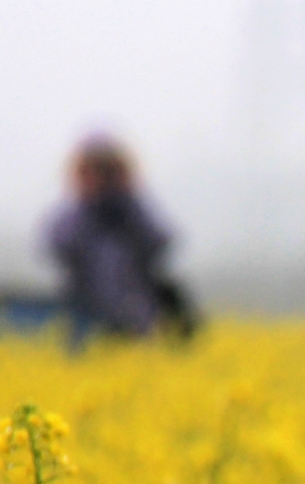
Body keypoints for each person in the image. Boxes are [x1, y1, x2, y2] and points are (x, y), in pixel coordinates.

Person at [45, 136, 198, 345]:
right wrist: (90, 203)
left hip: (137, 317)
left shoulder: (134, 210)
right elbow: (58, 245)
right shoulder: (75, 215)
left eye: (108, 171)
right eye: (93, 170)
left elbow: (162, 240)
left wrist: (127, 202)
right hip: (86, 316)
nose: (101, 179)